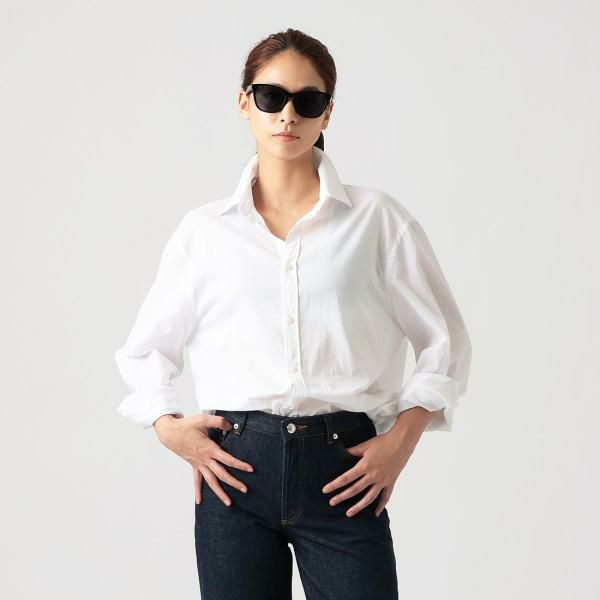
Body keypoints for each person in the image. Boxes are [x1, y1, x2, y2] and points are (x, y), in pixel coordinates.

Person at [114, 27, 472, 600]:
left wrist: (401, 443)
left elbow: (445, 342)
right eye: (271, 96)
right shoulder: (204, 233)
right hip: (236, 472)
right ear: (244, 102)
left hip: (344, 471)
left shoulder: (377, 221)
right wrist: (168, 427)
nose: (288, 114)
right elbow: (146, 349)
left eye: (308, 100)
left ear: (327, 112)